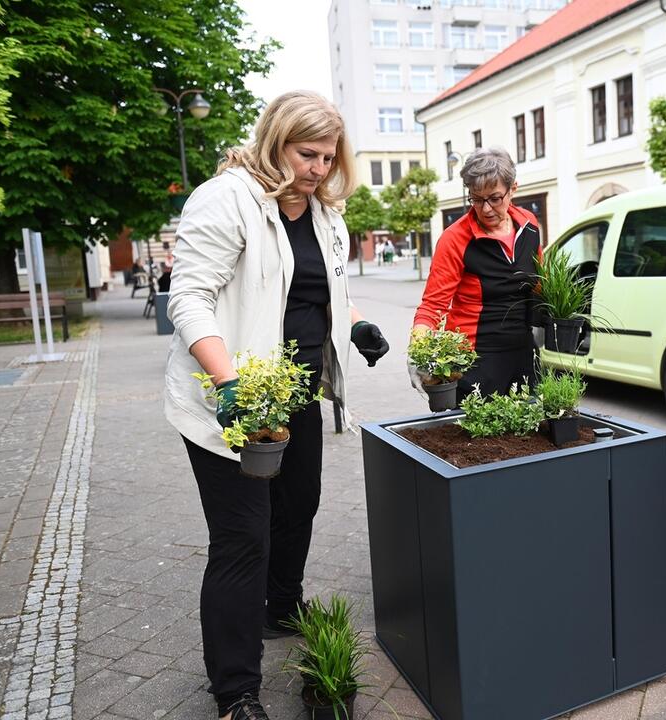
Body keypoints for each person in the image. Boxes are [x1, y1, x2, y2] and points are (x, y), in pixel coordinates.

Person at [162, 91, 390, 720]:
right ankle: (236, 693)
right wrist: (228, 383)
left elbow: (323, 290)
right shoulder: (227, 199)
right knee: (243, 538)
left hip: (296, 396)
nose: (318, 168)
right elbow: (189, 299)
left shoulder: (325, 216)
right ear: (274, 142)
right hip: (230, 400)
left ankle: (281, 610)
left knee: (297, 508)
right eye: (306, 153)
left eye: (328, 157)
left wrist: (357, 325)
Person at [410, 146, 541, 398]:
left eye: (495, 198)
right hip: (475, 363)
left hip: (523, 355)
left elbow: (538, 282)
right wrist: (418, 352)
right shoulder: (455, 239)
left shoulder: (529, 224)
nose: (486, 208)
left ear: (513, 189)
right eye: (477, 199)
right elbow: (433, 305)